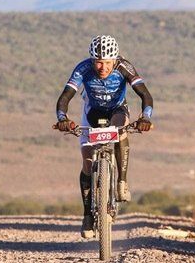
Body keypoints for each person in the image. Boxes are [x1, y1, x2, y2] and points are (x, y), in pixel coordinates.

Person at [55, 35, 153, 238]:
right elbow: (65, 96)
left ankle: (121, 182)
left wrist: (145, 117)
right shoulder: (83, 68)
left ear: (114, 60)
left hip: (117, 110)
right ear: (92, 60)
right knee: (87, 161)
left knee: (121, 130)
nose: (102, 67)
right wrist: (63, 118)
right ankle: (87, 217)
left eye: (107, 62)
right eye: (98, 62)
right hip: (91, 112)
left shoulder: (123, 67)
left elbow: (145, 94)